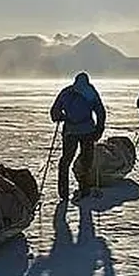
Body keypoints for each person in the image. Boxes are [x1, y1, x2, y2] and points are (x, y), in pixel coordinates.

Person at [50, 72, 106, 200]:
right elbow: (100, 111)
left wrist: (60, 117)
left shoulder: (67, 92)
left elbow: (54, 111)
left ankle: (63, 192)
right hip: (87, 131)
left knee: (66, 160)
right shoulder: (90, 92)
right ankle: (84, 188)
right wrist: (99, 129)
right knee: (86, 160)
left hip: (70, 131)